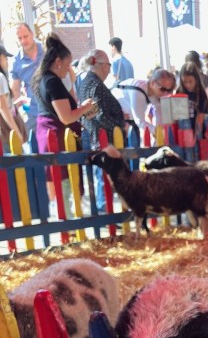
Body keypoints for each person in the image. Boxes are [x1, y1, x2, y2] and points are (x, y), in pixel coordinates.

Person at [32, 33, 97, 217]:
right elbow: (66, 117)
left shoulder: (42, 79)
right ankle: (68, 221)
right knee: (65, 184)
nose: (69, 69)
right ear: (58, 61)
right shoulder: (53, 82)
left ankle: (65, 220)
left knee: (58, 185)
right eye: (68, 65)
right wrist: (85, 107)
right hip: (58, 137)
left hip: (50, 135)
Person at [77, 49, 126, 213]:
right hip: (103, 137)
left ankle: (104, 207)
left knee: (101, 176)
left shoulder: (86, 82)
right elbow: (99, 115)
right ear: (101, 66)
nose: (110, 69)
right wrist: (118, 126)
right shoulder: (95, 85)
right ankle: (104, 208)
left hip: (95, 135)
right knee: (103, 176)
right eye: (108, 65)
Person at [111, 68, 175, 140]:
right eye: (163, 89)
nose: (166, 93)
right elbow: (140, 121)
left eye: (169, 90)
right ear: (153, 83)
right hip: (115, 119)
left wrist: (160, 132)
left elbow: (159, 114)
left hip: (128, 120)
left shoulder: (154, 92)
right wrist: (159, 133)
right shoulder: (138, 92)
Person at [10, 22, 43, 136]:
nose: (23, 41)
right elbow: (15, 90)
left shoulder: (46, 51)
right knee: (35, 148)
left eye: (25, 36)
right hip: (32, 112)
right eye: (20, 38)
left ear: (32, 34)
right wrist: (20, 111)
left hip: (53, 108)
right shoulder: (16, 61)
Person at [0, 43, 25, 148]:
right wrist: (17, 133)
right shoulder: (0, 77)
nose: (7, 61)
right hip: (6, 130)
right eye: (5, 57)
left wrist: (13, 104)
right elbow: (3, 108)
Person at [178, 61, 208, 138]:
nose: (188, 85)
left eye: (190, 81)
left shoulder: (201, 93)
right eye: (185, 82)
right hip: (183, 131)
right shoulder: (179, 92)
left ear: (196, 79)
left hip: (197, 131)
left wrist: (196, 136)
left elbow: (200, 118)